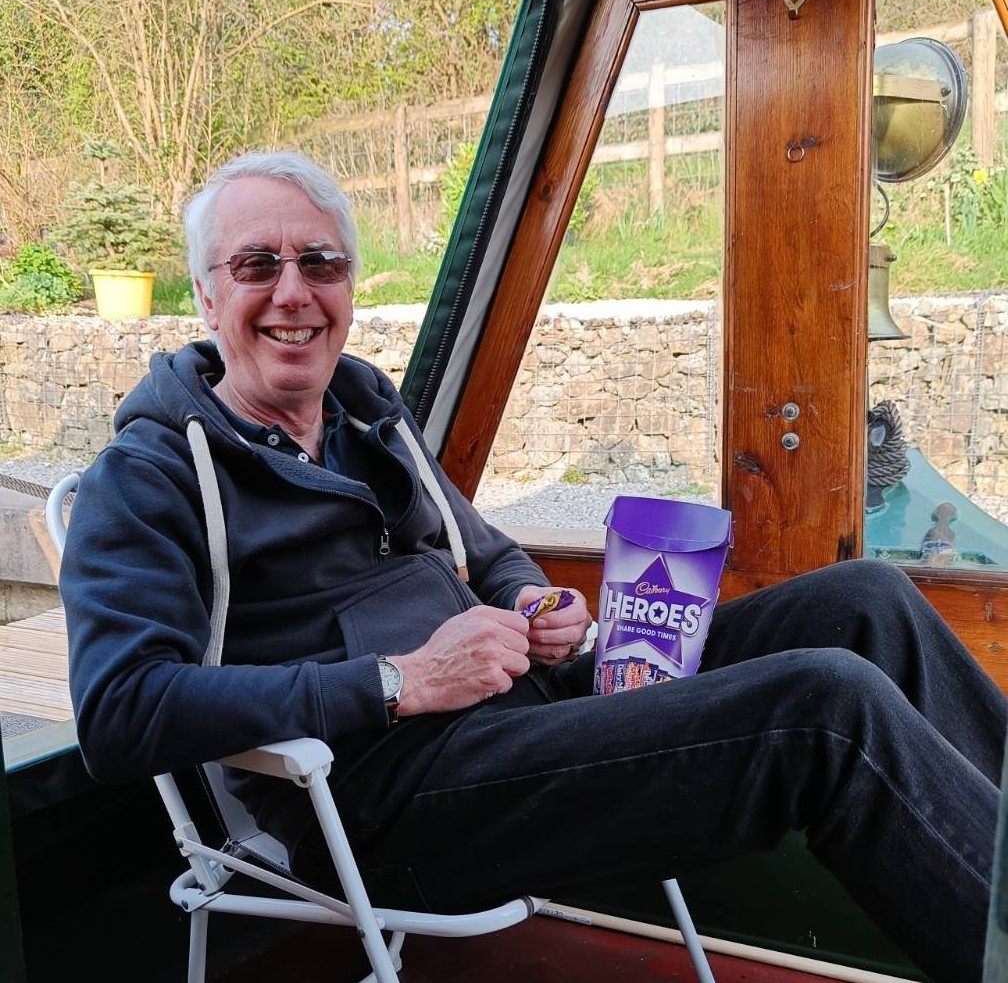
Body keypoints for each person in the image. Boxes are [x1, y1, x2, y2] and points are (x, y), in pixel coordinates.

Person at [59, 150, 1005, 983]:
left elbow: (490, 551)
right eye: (257, 264)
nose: (294, 290)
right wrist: (399, 681)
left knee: (867, 600)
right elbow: (122, 712)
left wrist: (531, 598)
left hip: (522, 712)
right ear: (206, 294)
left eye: (321, 261)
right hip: (371, 804)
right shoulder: (146, 478)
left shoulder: (366, 417)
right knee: (823, 710)